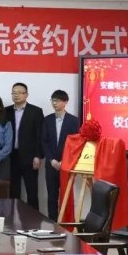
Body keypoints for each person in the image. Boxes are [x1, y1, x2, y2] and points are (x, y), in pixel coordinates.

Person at [42, 90, 80, 220]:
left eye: (57, 100)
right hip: (51, 164)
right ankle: (52, 222)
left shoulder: (74, 121)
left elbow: (76, 144)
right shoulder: (47, 119)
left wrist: (64, 161)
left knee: (66, 195)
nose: (54, 103)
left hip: (67, 164)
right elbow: (44, 141)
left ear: (65, 102)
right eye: (53, 100)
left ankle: (65, 222)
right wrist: (51, 160)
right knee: (51, 195)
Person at [7, 82, 44, 210]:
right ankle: (12, 219)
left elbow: (40, 135)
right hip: (11, 157)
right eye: (14, 93)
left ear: (26, 95)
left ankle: (33, 220)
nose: (16, 95)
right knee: (13, 192)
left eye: (19, 93)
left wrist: (38, 156)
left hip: (30, 157)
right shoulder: (6, 111)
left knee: (32, 192)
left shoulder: (36, 111)